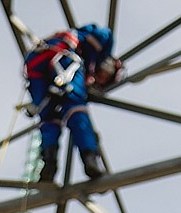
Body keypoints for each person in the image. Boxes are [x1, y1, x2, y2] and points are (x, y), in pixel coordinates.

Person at [24, 24, 119, 183]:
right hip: (62, 58)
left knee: (48, 116)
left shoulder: (81, 47)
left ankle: (48, 165)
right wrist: (102, 56)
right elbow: (106, 34)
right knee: (75, 108)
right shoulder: (94, 50)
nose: (99, 79)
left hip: (36, 64)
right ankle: (90, 159)